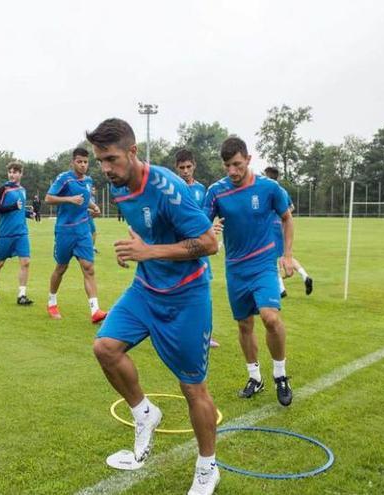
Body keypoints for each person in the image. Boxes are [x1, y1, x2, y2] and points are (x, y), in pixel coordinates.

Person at [87, 118, 221, 495]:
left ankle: (207, 468)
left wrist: (149, 250)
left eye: (111, 159)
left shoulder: (167, 187)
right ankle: (145, 414)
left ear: (132, 152)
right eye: (100, 161)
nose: (106, 168)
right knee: (105, 348)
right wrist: (137, 247)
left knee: (192, 388)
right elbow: (148, 230)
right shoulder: (118, 188)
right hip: (145, 287)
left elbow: (209, 243)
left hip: (186, 294)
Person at [203, 137, 294, 407]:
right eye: (227, 165)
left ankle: (280, 375)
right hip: (235, 268)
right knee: (244, 325)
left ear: (249, 159)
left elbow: (287, 218)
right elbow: (199, 224)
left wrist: (287, 255)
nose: (232, 171)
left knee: (270, 318)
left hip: (263, 264)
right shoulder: (216, 191)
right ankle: (255, 377)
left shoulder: (269, 188)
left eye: (237, 164)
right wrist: (209, 231)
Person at [44, 148, 107, 322]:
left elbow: (85, 199)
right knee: (61, 268)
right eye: (79, 161)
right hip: (65, 230)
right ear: (73, 162)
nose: (83, 165)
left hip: (82, 230)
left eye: (86, 162)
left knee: (89, 268)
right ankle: (52, 302)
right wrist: (69, 199)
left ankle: (95, 310)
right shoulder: (64, 178)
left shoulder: (88, 180)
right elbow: (48, 198)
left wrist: (94, 207)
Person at [175, 149, 219, 349]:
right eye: (182, 167)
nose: (185, 171)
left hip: (200, 250)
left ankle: (205, 336)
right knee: (178, 292)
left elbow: (205, 218)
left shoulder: (202, 189)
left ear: (194, 166)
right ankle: (176, 333)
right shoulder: (172, 189)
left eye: (188, 167)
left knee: (204, 293)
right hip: (180, 249)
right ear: (176, 168)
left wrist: (211, 228)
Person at [0, 161, 35, 305]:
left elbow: (19, 210)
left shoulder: (22, 190)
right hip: (6, 234)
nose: (12, 174)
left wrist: (29, 214)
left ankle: (21, 295)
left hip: (21, 232)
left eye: (15, 172)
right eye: (10, 171)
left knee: (25, 262)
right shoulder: (4, 189)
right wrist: (13, 206)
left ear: (21, 174)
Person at [263, 166, 313, 296]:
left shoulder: (267, 190)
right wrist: (284, 215)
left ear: (268, 176)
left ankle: (281, 289)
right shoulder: (283, 191)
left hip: (271, 227)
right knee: (285, 256)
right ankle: (304, 276)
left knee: (271, 258)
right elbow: (291, 207)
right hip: (283, 226)